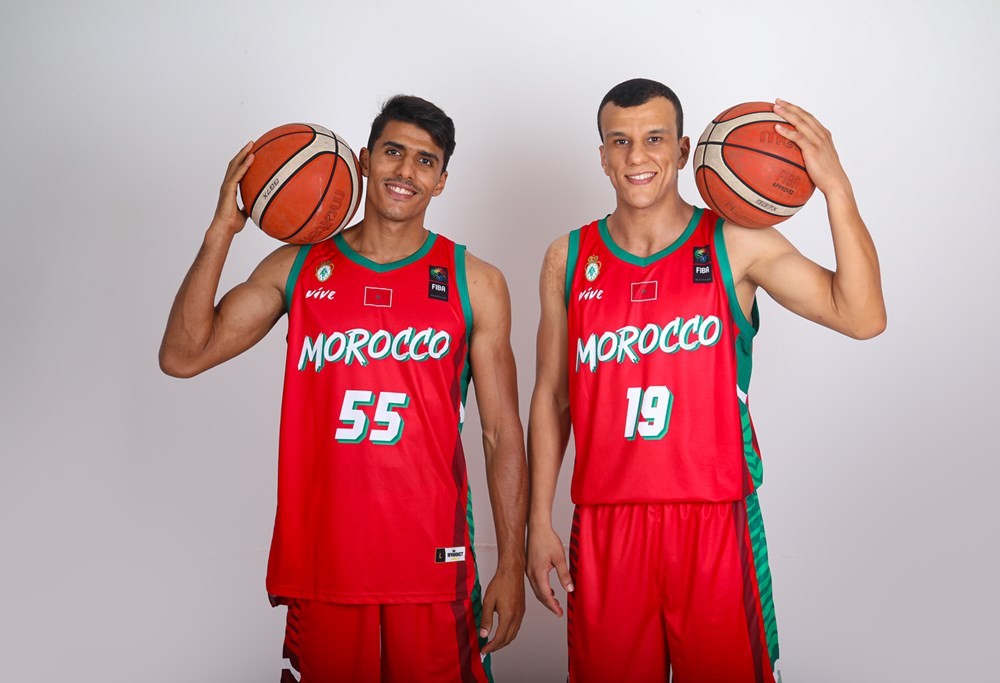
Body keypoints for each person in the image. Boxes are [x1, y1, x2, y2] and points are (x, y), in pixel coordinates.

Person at [526, 78, 886, 683]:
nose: (637, 157)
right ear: (603, 156)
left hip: (717, 518)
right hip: (608, 523)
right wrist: (539, 521)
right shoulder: (568, 257)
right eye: (620, 141)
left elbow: (863, 316)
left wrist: (836, 188)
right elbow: (552, 397)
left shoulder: (736, 243)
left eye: (654, 138)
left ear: (684, 148)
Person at [159, 95, 527, 683]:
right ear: (363, 160)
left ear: (441, 181)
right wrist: (222, 231)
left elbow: (501, 432)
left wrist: (511, 561)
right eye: (393, 152)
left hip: (433, 565)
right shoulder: (297, 268)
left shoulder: (474, 281)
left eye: (425, 161)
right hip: (324, 564)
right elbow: (182, 355)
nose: (406, 171)